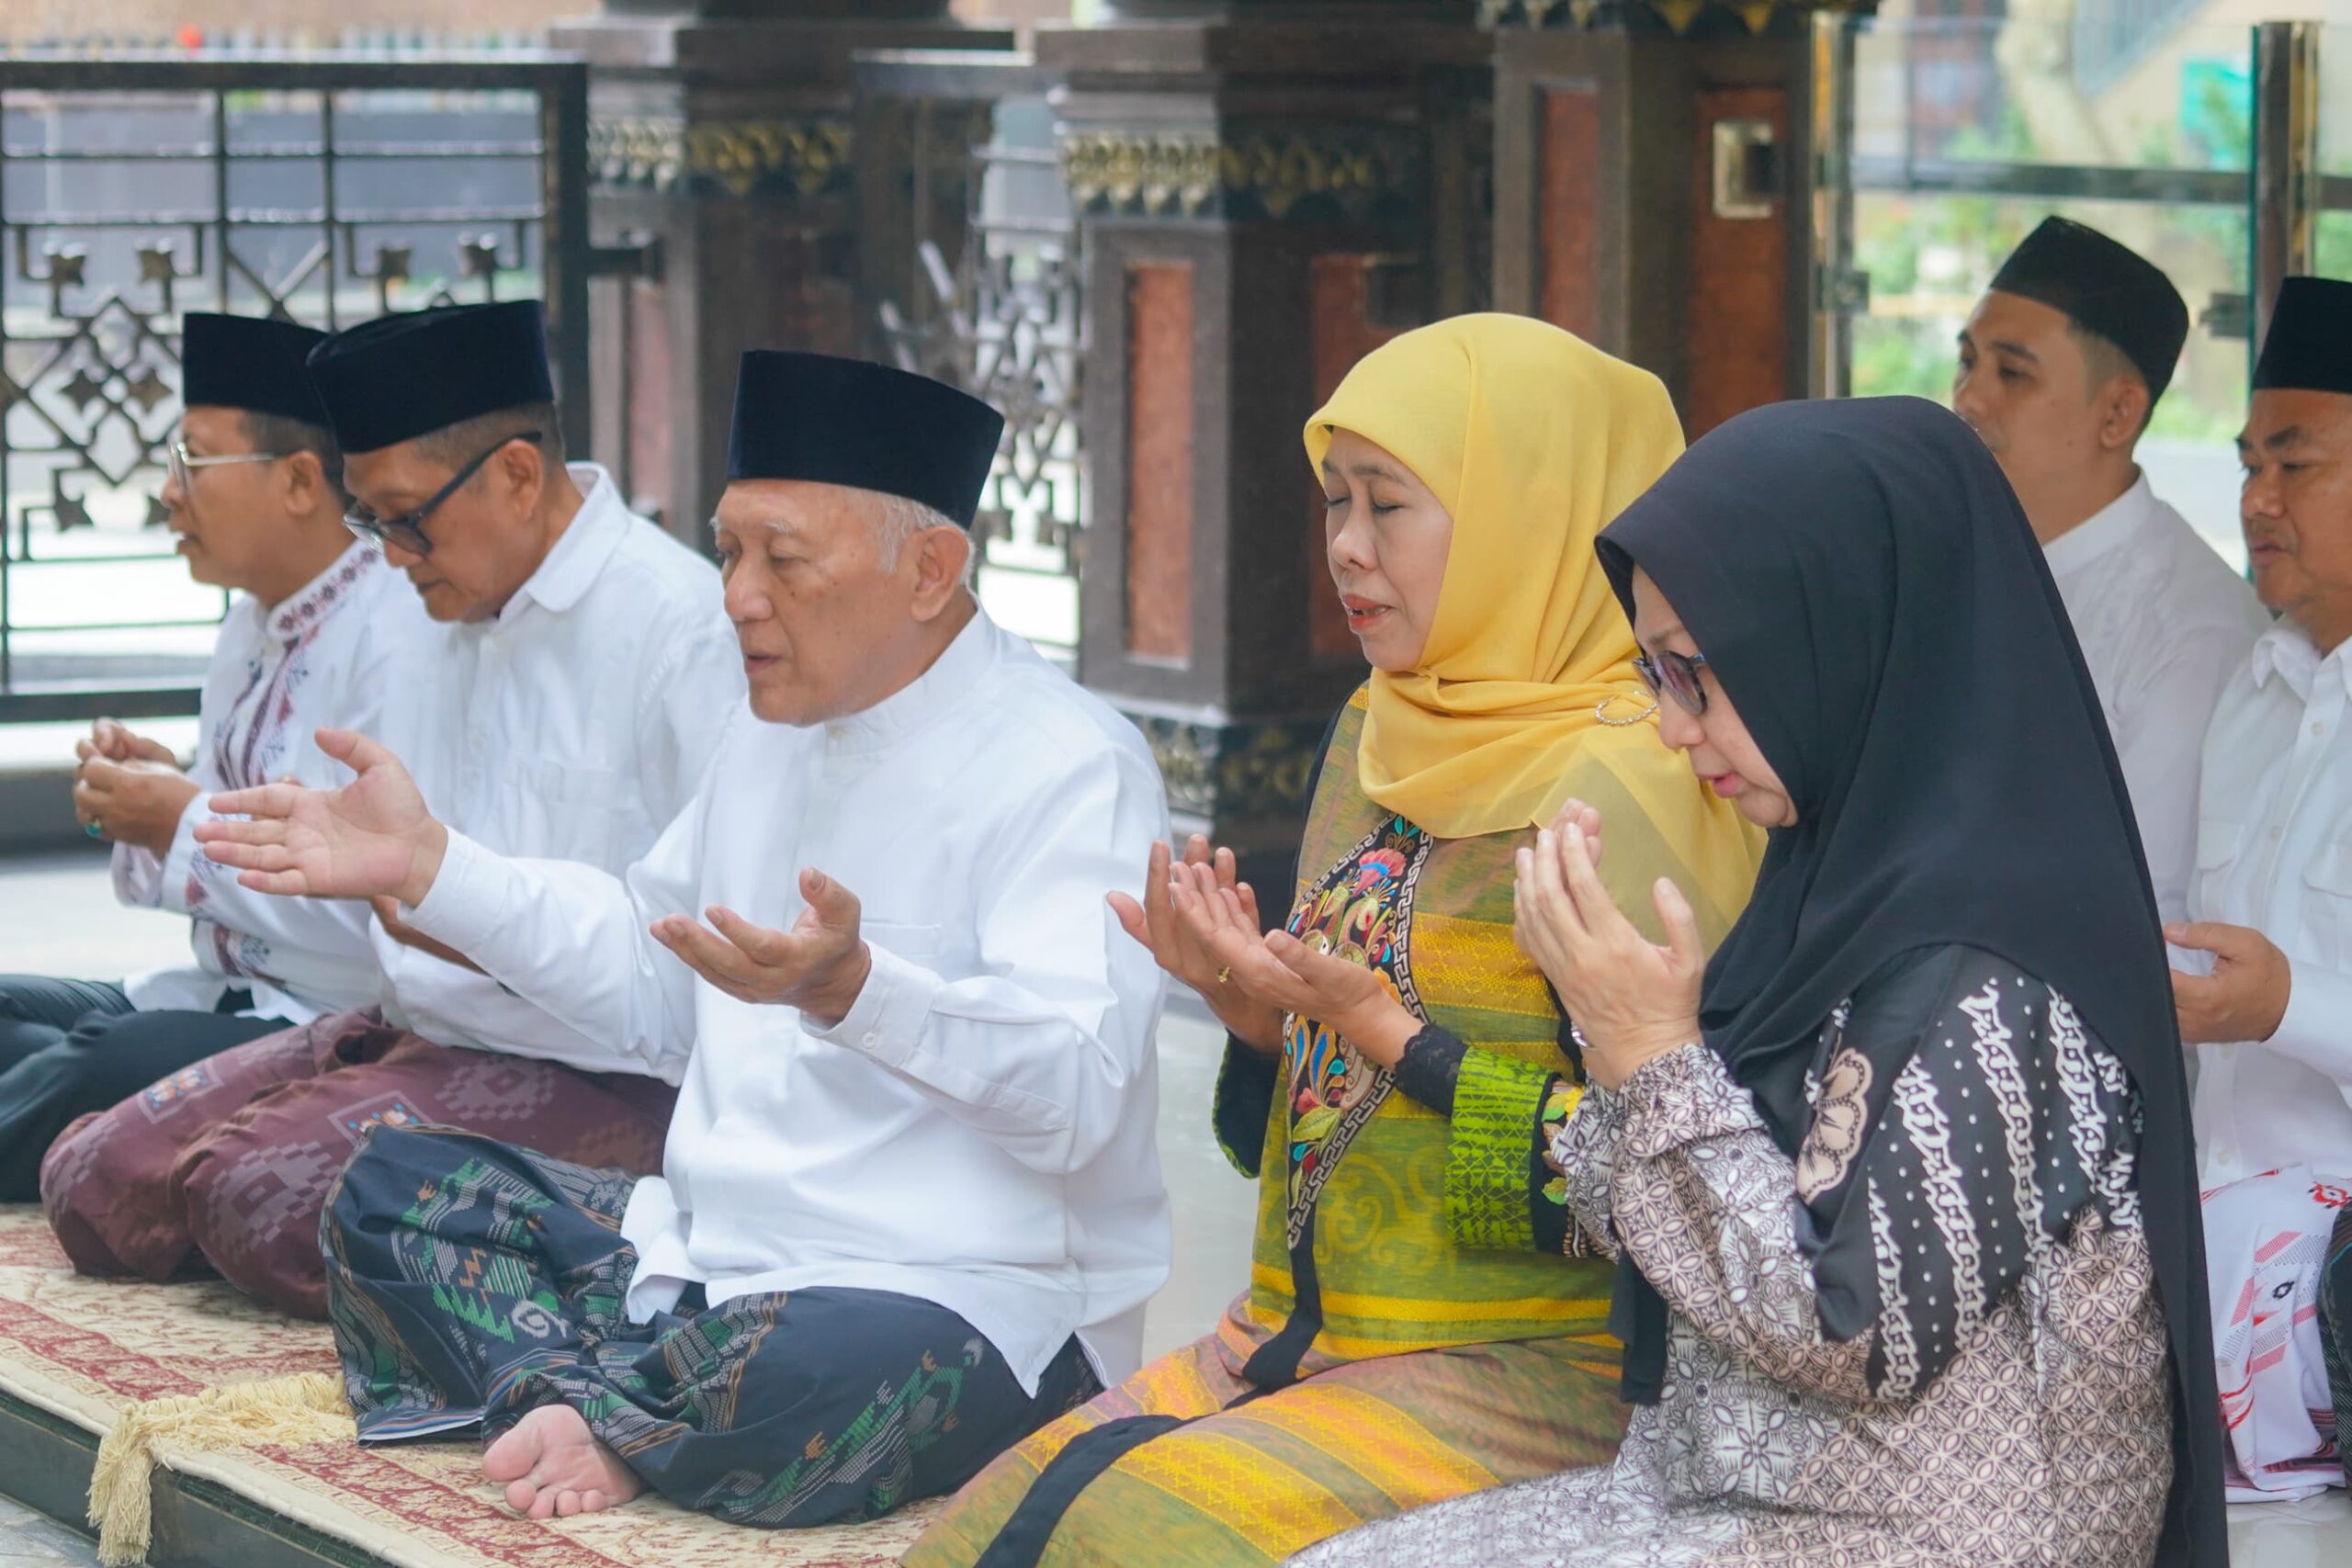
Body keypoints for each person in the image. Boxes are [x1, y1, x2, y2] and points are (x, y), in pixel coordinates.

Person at [197, 351, 1170, 1529]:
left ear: (930, 570)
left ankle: (598, 1407)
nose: (737, 596)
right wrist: (432, 868)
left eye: (783, 559)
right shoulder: (764, 735)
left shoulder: (1070, 763)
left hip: (949, 1298)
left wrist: (859, 990)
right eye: (729, 551)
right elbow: (648, 979)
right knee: (397, 1188)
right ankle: (630, 1414)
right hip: (703, 1273)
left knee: (834, 1366)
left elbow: (1081, 1097)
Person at [1284, 395, 2224, 1568]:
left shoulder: (1992, 967)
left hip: (1916, 1534)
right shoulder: (1837, 885)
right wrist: (1391, 1040)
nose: (1672, 731)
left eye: (1695, 677)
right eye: (1652, 675)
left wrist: (1645, 1051)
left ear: (1831, 640)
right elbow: (1639, 1197)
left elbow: (1850, 1326)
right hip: (1730, 1485)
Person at [905, 314, 1762, 1568]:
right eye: (1333, 502)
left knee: (1137, 1536)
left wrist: (1393, 1038)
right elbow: (1308, 1136)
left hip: (1546, 1374)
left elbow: (1674, 1189)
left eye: (1390, 505)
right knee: (990, 1524)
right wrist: (1263, 1027)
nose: (1347, 550)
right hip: (1295, 1336)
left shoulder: (1643, 780)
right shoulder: (1382, 729)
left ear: (1531, 507)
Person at [40, 301, 740, 1319]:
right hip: (413, 1024)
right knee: (95, 1181)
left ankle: (634, 1239)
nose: (392, 554)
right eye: (370, 520)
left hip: (605, 1068)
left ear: (515, 473)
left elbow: (687, 965)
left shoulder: (678, 631)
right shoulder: (427, 609)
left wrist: (454, 906)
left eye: (407, 516)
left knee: (246, 1198)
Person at [0, 312, 427, 1201]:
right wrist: (165, 788)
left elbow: (377, 917)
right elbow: (231, 809)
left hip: (326, 1021)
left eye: (192, 463)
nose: (167, 493)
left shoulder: (395, 635)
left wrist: (182, 818)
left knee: (97, 1064)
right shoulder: (249, 622)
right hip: (212, 990)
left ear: (302, 481)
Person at [2169, 275, 2352, 1503]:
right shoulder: (2254, 685)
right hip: (2215, 1304)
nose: (2255, 499)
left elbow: (2272, 996)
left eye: (2297, 463)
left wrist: (2288, 1001)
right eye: (2247, 461)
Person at [1954, 217, 2267, 930]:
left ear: (2118, 412)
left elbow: (2144, 916)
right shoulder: (1955, 566)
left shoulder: (2194, 632)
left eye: (2012, 372)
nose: (1969, 398)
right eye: (1966, 361)